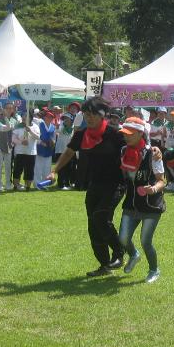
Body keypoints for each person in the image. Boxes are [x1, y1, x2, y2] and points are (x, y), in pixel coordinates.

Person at [48, 96, 126, 276]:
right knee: (93, 225)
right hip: (94, 184)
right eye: (85, 114)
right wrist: (55, 171)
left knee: (100, 217)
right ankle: (105, 265)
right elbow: (68, 153)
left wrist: (154, 151)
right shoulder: (81, 135)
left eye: (92, 115)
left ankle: (119, 252)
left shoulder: (115, 134)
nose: (88, 118)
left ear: (102, 115)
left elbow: (135, 146)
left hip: (115, 183)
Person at [117, 117, 166, 283]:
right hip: (131, 203)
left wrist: (152, 189)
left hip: (151, 205)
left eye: (130, 134)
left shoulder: (153, 154)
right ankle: (134, 255)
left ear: (140, 134)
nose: (126, 136)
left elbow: (162, 180)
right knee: (123, 238)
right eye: (125, 133)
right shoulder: (124, 151)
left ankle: (154, 270)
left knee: (146, 241)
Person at [11, 113, 39, 190]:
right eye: (23, 116)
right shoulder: (18, 126)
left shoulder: (35, 126)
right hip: (20, 152)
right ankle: (16, 185)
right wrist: (21, 142)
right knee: (17, 169)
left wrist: (30, 131)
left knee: (29, 170)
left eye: (26, 116)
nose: (24, 118)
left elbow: (38, 137)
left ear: (30, 118)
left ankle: (28, 186)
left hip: (31, 152)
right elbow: (13, 139)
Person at [35, 108, 56, 184]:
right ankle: (37, 183)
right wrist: (41, 142)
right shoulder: (40, 125)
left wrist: (53, 142)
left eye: (51, 117)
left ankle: (45, 183)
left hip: (49, 149)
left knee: (47, 167)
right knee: (38, 167)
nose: (49, 118)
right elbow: (36, 137)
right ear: (44, 117)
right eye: (48, 117)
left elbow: (53, 138)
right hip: (40, 148)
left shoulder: (53, 127)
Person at [55, 112, 76, 189]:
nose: (65, 120)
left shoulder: (74, 128)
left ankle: (67, 183)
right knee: (61, 168)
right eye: (64, 119)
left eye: (67, 119)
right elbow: (57, 131)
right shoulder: (60, 126)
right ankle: (61, 184)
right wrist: (57, 126)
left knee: (68, 168)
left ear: (71, 120)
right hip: (60, 150)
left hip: (69, 151)